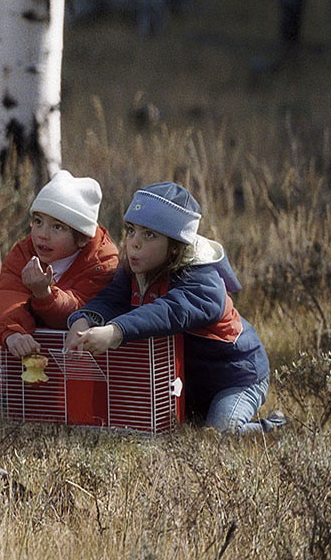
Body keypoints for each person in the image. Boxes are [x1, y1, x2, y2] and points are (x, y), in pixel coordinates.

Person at [64, 182, 285, 434]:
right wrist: (84, 320)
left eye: (149, 234)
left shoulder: (203, 279)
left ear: (176, 246)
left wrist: (115, 331)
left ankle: (271, 428)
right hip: (189, 381)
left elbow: (169, 311)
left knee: (220, 433)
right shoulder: (136, 269)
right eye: (131, 230)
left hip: (236, 377)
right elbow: (111, 300)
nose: (133, 243)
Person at [0, 169, 118, 397]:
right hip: (21, 362)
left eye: (57, 227)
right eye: (38, 221)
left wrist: (44, 294)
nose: (42, 235)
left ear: (82, 238)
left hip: (75, 369)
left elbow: (81, 311)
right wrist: (13, 333)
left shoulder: (102, 262)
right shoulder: (24, 252)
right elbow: (8, 295)